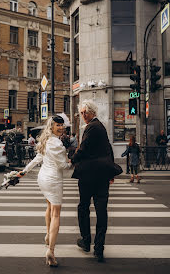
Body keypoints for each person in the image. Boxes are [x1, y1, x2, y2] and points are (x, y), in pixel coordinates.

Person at [17, 115, 70, 267]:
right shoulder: (57, 143)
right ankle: (51, 251)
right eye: (58, 125)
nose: (61, 128)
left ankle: (48, 236)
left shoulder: (46, 140)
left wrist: (24, 171)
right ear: (52, 126)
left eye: (62, 125)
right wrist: (70, 162)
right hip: (53, 180)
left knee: (49, 207)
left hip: (43, 179)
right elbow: (63, 166)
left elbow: (37, 159)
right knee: (56, 214)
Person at [71, 99, 116, 263]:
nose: (83, 115)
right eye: (81, 113)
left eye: (85, 112)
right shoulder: (100, 127)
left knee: (83, 207)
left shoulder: (91, 127)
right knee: (101, 211)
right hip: (102, 176)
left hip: (88, 176)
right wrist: (110, 172)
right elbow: (108, 149)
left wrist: (71, 160)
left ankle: (86, 241)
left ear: (92, 112)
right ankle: (99, 249)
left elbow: (82, 150)